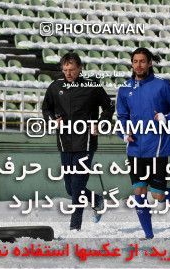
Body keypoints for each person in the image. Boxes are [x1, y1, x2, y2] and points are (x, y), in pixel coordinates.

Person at [116, 47, 170, 239]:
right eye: (135, 61)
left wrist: (167, 117)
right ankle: (148, 235)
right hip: (135, 148)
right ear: (131, 64)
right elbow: (122, 117)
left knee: (158, 196)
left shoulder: (162, 86)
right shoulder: (124, 89)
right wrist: (124, 132)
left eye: (142, 61)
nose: (138, 65)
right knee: (139, 191)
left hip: (157, 147)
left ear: (149, 63)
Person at [41, 52, 114, 230]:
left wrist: (100, 123)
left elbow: (109, 106)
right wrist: (52, 119)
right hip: (65, 141)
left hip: (86, 141)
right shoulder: (55, 86)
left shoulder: (92, 85)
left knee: (78, 185)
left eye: (72, 69)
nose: (68, 73)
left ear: (80, 68)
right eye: (65, 69)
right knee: (70, 188)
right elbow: (46, 108)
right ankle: (96, 200)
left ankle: (75, 227)